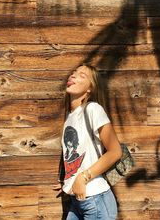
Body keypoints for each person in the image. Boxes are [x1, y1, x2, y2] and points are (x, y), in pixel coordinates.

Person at [53, 64, 122, 220]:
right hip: (77, 200)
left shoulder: (92, 109)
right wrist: (68, 180)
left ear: (90, 88)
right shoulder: (70, 118)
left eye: (82, 76)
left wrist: (82, 178)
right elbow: (78, 155)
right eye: (73, 73)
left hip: (96, 199)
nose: (73, 76)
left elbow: (115, 151)